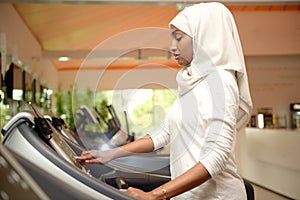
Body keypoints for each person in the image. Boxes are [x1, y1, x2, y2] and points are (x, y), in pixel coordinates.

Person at [76, 2, 252, 199]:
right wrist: (110, 154)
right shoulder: (192, 83)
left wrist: (155, 195)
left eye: (179, 38)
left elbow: (216, 157)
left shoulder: (222, 82)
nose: (172, 47)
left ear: (202, 37)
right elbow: (161, 135)